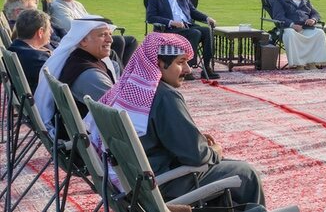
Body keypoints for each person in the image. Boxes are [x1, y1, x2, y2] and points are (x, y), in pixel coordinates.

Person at [85, 33, 266, 209]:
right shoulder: (164, 96)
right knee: (245, 173)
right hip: (163, 184)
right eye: (181, 62)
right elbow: (195, 155)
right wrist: (214, 150)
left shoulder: (127, 88)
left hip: (133, 182)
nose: (187, 70)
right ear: (160, 63)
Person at [35, 17, 119, 138]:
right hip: (92, 140)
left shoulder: (79, 59)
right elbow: (118, 113)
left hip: (77, 136)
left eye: (110, 34)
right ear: (83, 41)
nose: (110, 39)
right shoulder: (90, 76)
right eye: (102, 35)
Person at [49, 0, 138, 66]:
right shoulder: (57, 6)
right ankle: (119, 73)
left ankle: (124, 71)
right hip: (80, 40)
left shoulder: (77, 4)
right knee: (119, 41)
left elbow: (90, 19)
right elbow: (71, 26)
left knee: (131, 41)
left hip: (92, 36)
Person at [145, 0, 219, 79]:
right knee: (195, 33)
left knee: (206, 31)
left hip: (187, 27)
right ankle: (187, 69)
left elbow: (193, 12)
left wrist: (207, 18)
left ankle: (206, 67)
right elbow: (150, 17)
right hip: (168, 30)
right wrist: (171, 22)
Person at [271, 0, 326, 70]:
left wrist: (313, 20)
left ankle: (312, 62)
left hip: (305, 27)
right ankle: (299, 64)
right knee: (291, 34)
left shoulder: (305, 1)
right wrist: (292, 25)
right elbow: (279, 17)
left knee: (319, 32)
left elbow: (316, 14)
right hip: (288, 28)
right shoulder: (280, 1)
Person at [7, 9, 52, 92]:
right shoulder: (37, 58)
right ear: (40, 32)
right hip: (39, 101)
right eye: (49, 28)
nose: (51, 32)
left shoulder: (14, 48)